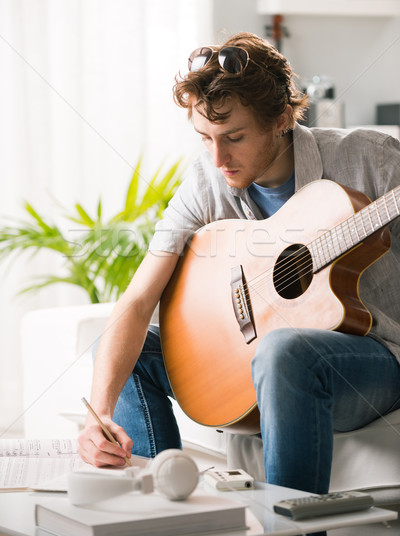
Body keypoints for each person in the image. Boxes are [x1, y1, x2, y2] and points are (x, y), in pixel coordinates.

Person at [78, 31, 400, 501]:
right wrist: (100, 415)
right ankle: (161, 513)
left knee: (284, 351)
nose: (218, 158)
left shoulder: (370, 159)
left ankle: (289, 528)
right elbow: (138, 298)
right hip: (258, 360)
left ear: (282, 118)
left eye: (234, 137)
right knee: (120, 346)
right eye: (204, 138)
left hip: (370, 358)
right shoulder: (205, 181)